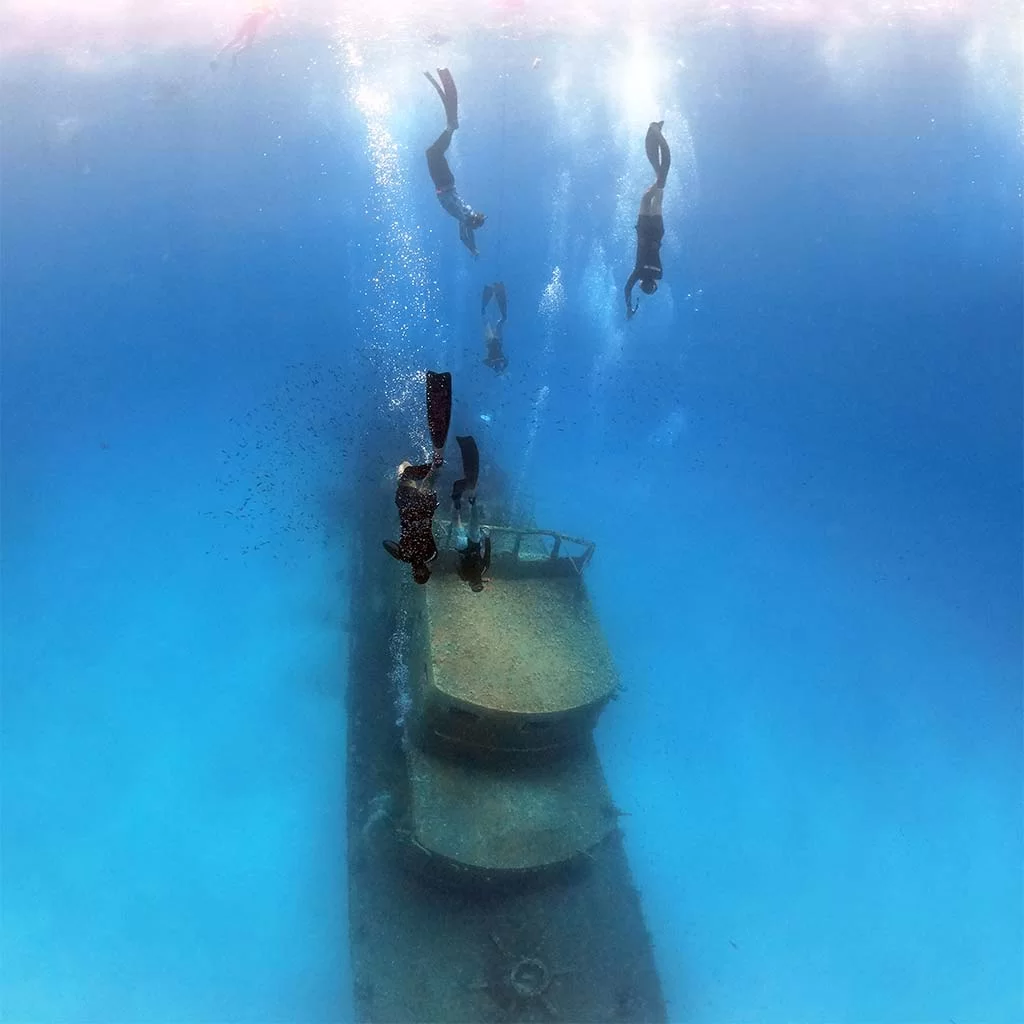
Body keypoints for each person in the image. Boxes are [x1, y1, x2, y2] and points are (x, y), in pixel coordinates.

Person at [383, 371, 452, 584]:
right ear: (414, 572)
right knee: (403, 472)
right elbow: (386, 543)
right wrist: (401, 554)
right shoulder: (405, 557)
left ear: (427, 571)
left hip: (424, 510)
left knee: (430, 481)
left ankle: (435, 465)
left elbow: (430, 541)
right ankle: (410, 470)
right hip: (407, 509)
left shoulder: (432, 556)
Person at [424, 69, 485, 257]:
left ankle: (450, 129)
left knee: (435, 153)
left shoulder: (464, 217)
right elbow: (464, 235)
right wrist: (472, 247)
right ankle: (451, 128)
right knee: (433, 152)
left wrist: (472, 248)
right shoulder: (464, 216)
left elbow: (465, 236)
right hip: (444, 184)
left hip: (445, 183)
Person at [625, 121, 671, 319]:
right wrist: (628, 306)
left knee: (657, 198)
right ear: (643, 283)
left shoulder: (659, 274)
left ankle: (659, 183)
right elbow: (627, 289)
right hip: (644, 229)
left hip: (656, 230)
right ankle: (658, 182)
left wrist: (630, 307)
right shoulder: (638, 273)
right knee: (646, 198)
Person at [451, 435, 491, 592]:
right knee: (458, 522)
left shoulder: (483, 570)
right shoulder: (465, 577)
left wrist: (487, 538)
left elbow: (487, 555)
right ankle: (458, 503)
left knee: (474, 523)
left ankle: (471, 503)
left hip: (472, 545)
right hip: (463, 548)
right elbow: (456, 564)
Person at [210, 6, 276, 70]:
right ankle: (231, 54)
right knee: (243, 43)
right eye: (268, 14)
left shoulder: (260, 13)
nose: (268, 16)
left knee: (238, 41)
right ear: (267, 12)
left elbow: (248, 16)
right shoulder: (261, 14)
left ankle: (225, 53)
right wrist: (252, 33)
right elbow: (253, 21)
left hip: (247, 27)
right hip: (249, 28)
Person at [481, 282, 508, 374]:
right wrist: (502, 367)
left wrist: (492, 364)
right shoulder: (502, 360)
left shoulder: (491, 361)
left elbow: (484, 361)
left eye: (497, 368)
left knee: (486, 318)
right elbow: (506, 362)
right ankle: (498, 290)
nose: (498, 366)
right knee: (501, 320)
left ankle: (490, 291)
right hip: (496, 340)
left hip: (491, 340)